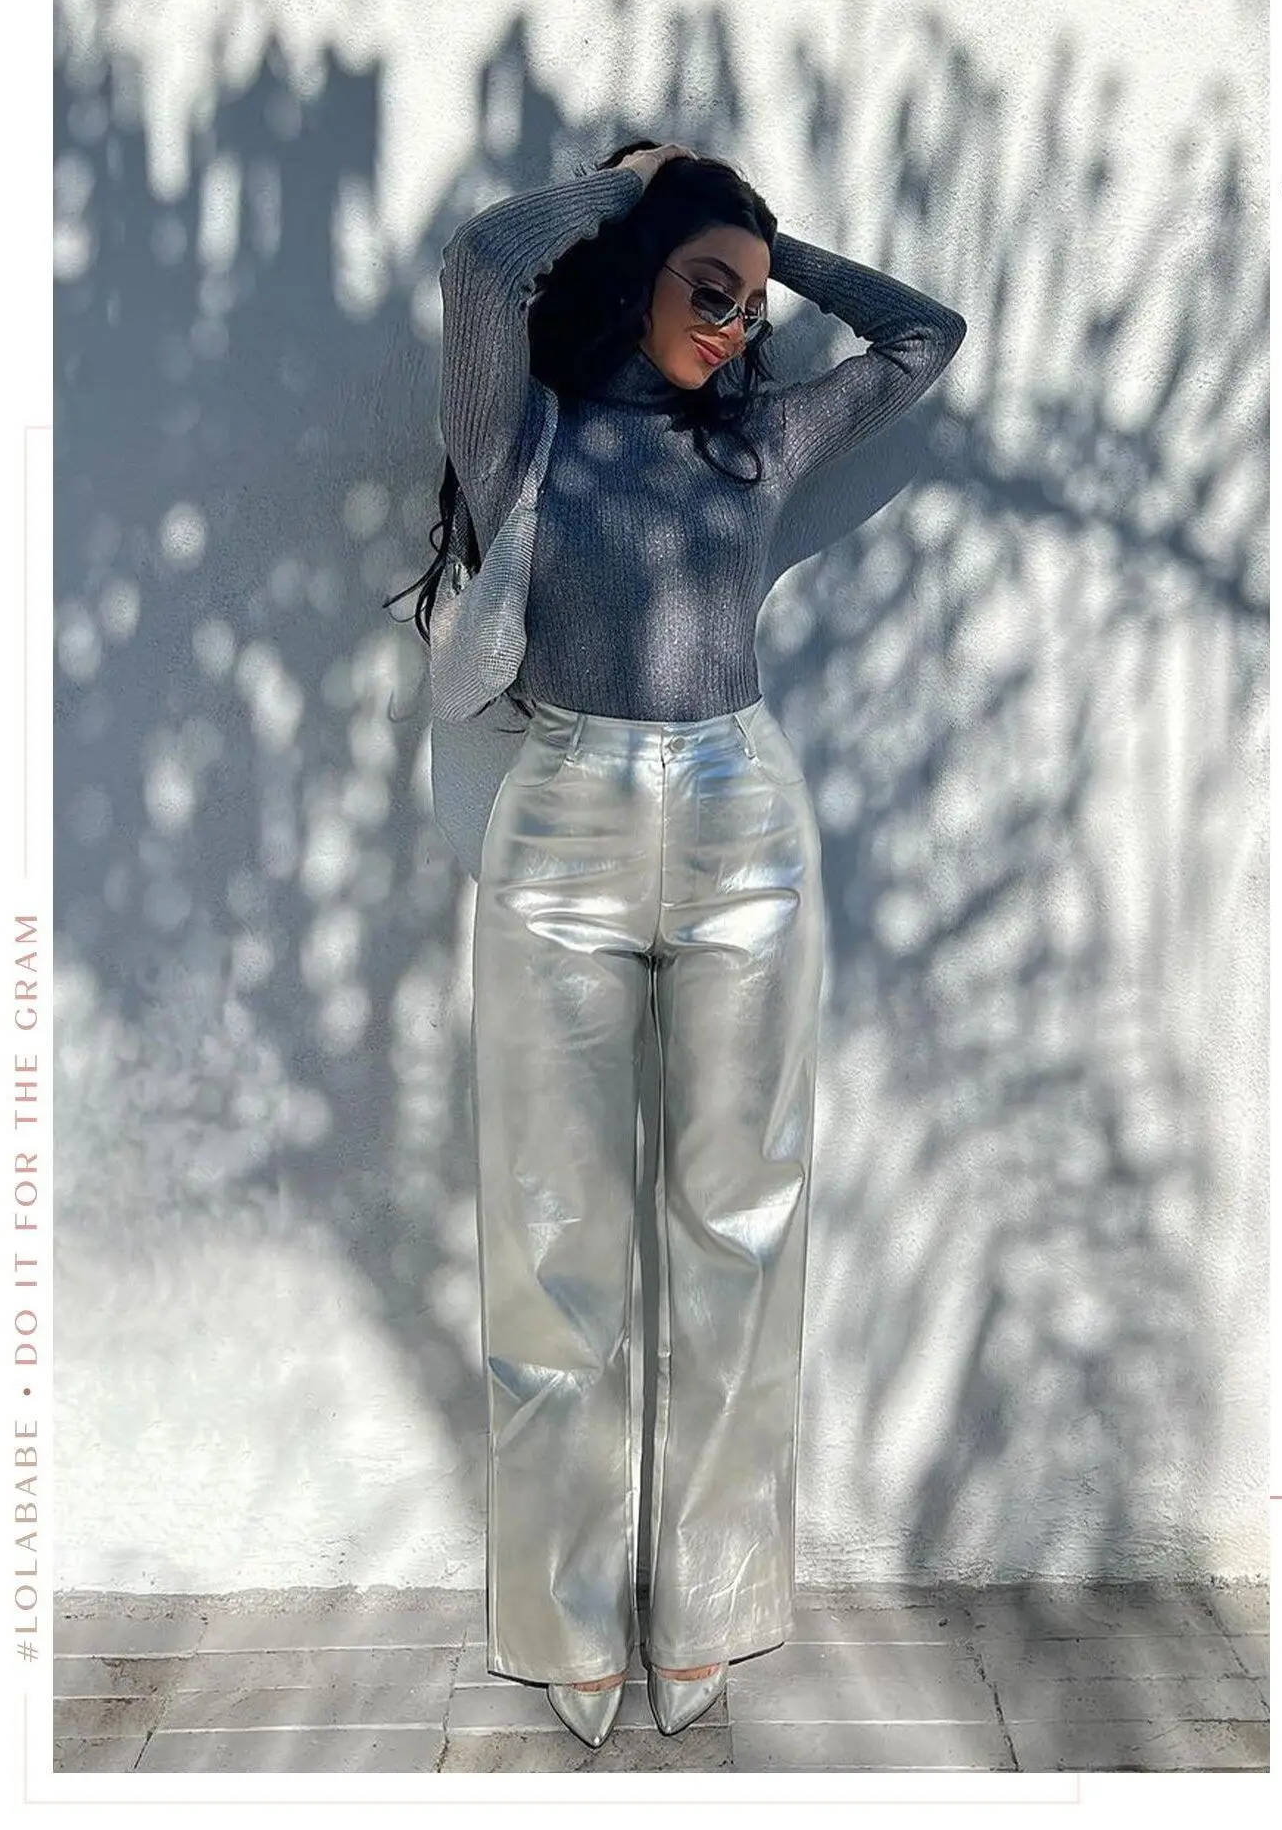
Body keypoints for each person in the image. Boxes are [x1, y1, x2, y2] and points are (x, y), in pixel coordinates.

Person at [392, 138, 965, 1747]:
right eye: (706, 292)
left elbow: (925, 337)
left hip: (742, 828)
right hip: (562, 829)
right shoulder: (526, 436)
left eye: (749, 307)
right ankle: (569, 1619)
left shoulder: (757, 445)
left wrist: (772, 250)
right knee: (554, 1233)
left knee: (740, 1227)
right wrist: (639, 186)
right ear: (636, 271)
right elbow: (479, 269)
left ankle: (706, 1605)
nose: (734, 327)